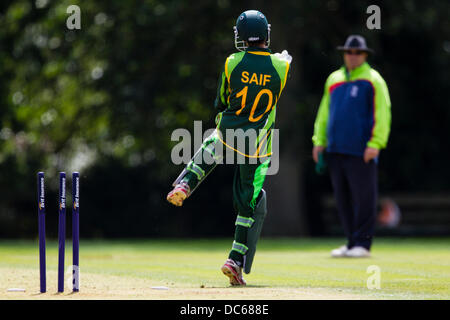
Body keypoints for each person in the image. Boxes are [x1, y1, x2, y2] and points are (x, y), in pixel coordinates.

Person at [166, 10, 291, 285]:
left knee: (213, 142)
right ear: (266, 35)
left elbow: (221, 99)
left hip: (231, 129)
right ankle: (235, 259)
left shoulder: (232, 62)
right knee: (249, 202)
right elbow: (279, 69)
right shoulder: (282, 66)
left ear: (242, 37)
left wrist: (229, 114)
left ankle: (185, 183)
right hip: (257, 142)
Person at [312, 35, 391, 258]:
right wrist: (319, 141)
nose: (352, 56)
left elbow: (382, 113)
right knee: (343, 198)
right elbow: (324, 113)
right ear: (344, 54)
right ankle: (350, 241)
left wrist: (376, 143)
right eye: (349, 52)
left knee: (364, 197)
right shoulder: (334, 79)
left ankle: (363, 244)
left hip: (361, 149)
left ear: (364, 55)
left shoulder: (373, 79)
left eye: (357, 53)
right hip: (336, 149)